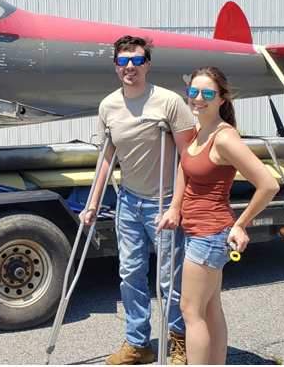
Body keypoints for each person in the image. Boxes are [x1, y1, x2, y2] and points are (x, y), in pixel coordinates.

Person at [82, 35, 196, 365]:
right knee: (130, 273)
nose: (129, 66)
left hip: (163, 202)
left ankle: (179, 341)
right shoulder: (108, 106)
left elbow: (188, 157)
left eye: (136, 60)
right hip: (129, 203)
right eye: (123, 61)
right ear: (115, 65)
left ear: (147, 64)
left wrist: (176, 206)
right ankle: (138, 343)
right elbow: (107, 156)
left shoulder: (169, 102)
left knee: (168, 278)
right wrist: (92, 202)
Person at [166, 66, 279, 364]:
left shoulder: (224, 138)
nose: (198, 98)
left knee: (191, 312)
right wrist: (175, 208)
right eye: (193, 92)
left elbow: (268, 184)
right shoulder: (201, 130)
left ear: (222, 98)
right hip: (198, 231)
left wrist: (241, 225)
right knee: (210, 309)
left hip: (209, 235)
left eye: (207, 93)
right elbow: (184, 166)